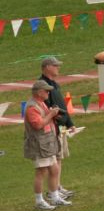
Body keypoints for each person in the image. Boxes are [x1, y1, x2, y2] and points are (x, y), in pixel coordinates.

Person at [24, 80, 71, 210]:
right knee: (41, 172)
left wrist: (53, 114)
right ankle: (39, 201)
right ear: (39, 92)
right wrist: (51, 114)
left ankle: (54, 196)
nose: (48, 93)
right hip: (39, 144)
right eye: (46, 91)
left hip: (47, 142)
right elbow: (38, 125)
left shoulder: (41, 103)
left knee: (54, 169)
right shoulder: (32, 107)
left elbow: (45, 120)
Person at [39, 56, 78, 202]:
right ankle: (52, 190)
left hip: (60, 125)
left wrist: (69, 123)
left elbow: (61, 105)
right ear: (47, 67)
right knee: (54, 159)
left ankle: (57, 186)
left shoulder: (54, 84)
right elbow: (48, 108)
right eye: (55, 66)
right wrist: (60, 120)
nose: (58, 68)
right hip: (53, 126)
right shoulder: (43, 85)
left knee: (59, 157)